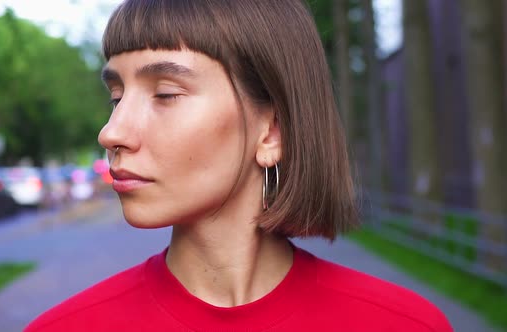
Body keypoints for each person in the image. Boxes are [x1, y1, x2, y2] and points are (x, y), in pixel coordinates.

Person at [25, 0, 452, 331]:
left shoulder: (405, 325)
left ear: (272, 132)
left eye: (166, 94)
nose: (111, 132)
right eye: (117, 97)